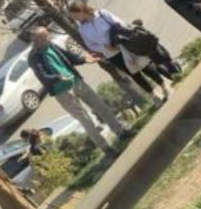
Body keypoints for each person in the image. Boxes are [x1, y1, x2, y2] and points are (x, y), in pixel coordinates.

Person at [28, 26, 129, 157]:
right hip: (63, 92)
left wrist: (84, 59)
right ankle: (106, 148)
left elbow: (69, 57)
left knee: (100, 106)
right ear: (36, 39)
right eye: (45, 36)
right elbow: (43, 76)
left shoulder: (51, 45)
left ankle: (121, 131)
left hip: (77, 82)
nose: (48, 37)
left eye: (47, 34)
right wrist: (58, 77)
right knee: (86, 120)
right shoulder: (34, 57)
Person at [69, 0, 172, 105]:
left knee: (144, 66)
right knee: (133, 73)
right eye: (73, 17)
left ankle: (164, 86)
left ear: (82, 10)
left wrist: (117, 42)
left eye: (75, 16)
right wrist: (103, 48)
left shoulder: (102, 14)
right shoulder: (82, 29)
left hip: (124, 46)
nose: (75, 19)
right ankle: (154, 95)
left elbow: (120, 24)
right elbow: (90, 44)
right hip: (111, 54)